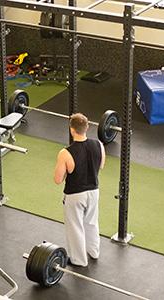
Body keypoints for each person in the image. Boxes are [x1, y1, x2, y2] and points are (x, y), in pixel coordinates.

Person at [53, 113, 105, 267]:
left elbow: (57, 179)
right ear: (87, 127)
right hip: (94, 191)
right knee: (91, 222)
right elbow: (101, 166)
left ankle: (79, 260)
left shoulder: (65, 153)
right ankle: (94, 252)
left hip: (75, 195)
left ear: (71, 130)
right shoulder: (99, 145)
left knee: (75, 227)